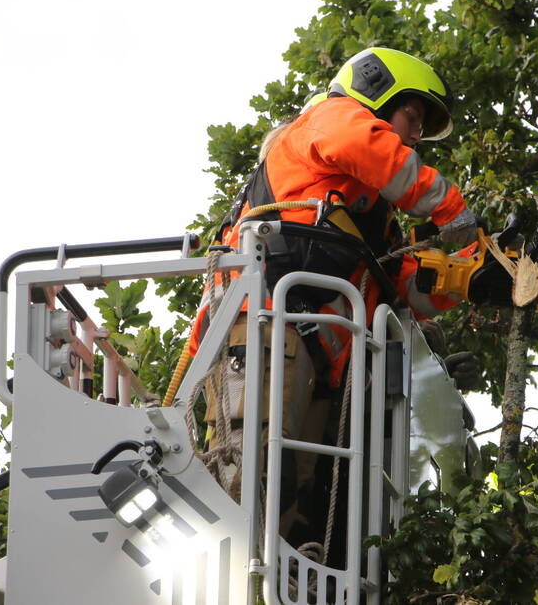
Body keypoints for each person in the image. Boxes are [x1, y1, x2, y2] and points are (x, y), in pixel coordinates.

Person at [193, 47, 479, 537]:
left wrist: (468, 277)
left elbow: (400, 284)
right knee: (249, 485)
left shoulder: (368, 218)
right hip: (264, 331)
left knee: (296, 510)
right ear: (375, 91)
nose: (415, 136)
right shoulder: (325, 122)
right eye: (412, 116)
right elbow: (361, 143)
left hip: (317, 362)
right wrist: (451, 208)